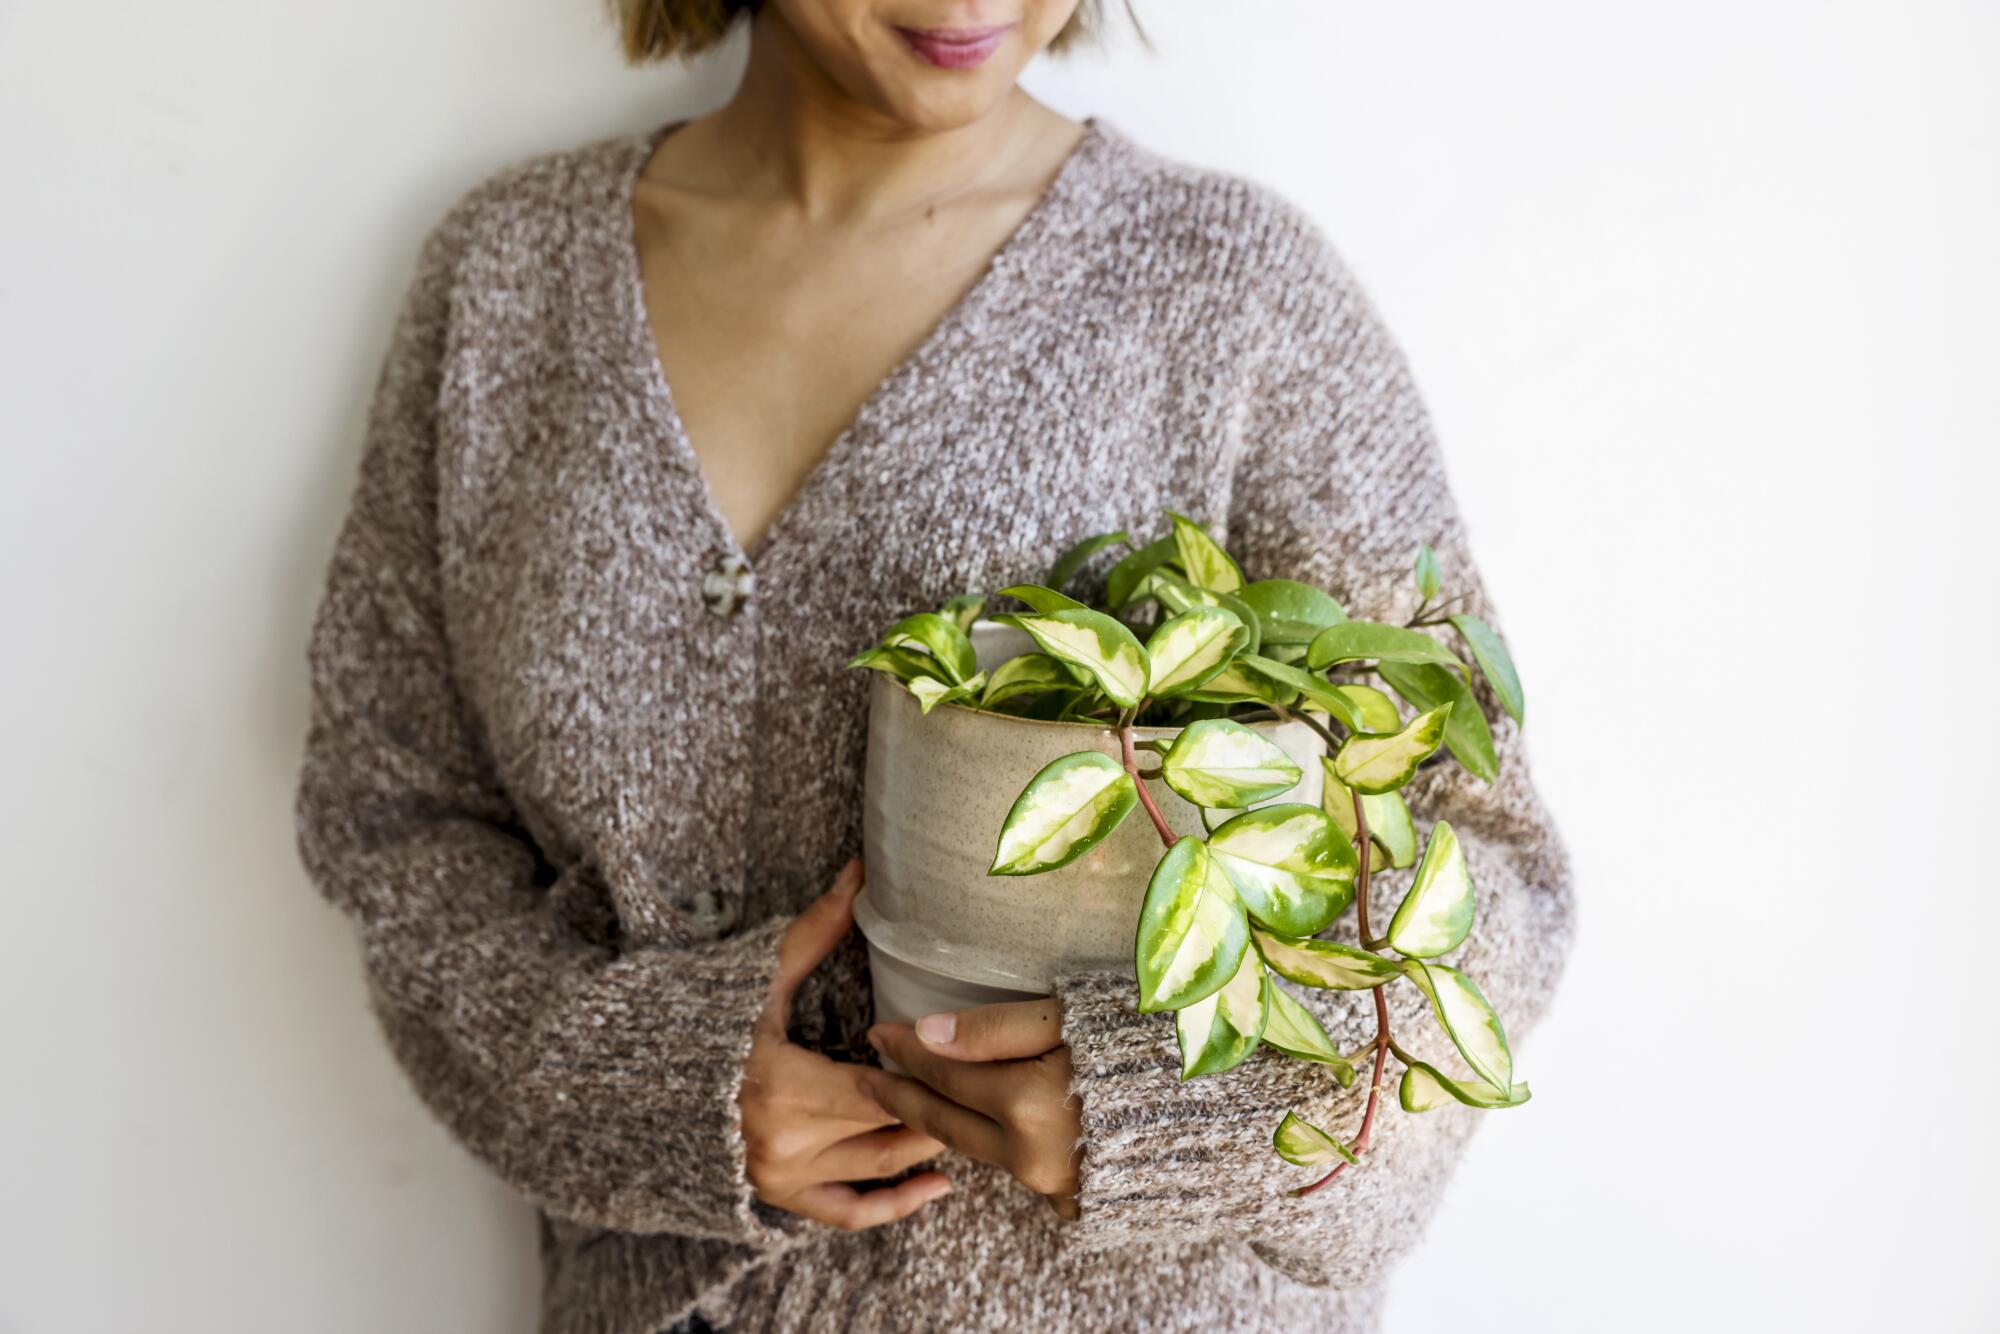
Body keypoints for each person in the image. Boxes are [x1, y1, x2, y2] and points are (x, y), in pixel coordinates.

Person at [290, 1, 1576, 1330]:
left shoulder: (1231, 291)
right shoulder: (511, 280)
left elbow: (1485, 868)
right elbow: (398, 814)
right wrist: (643, 1086)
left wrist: (1175, 1114)